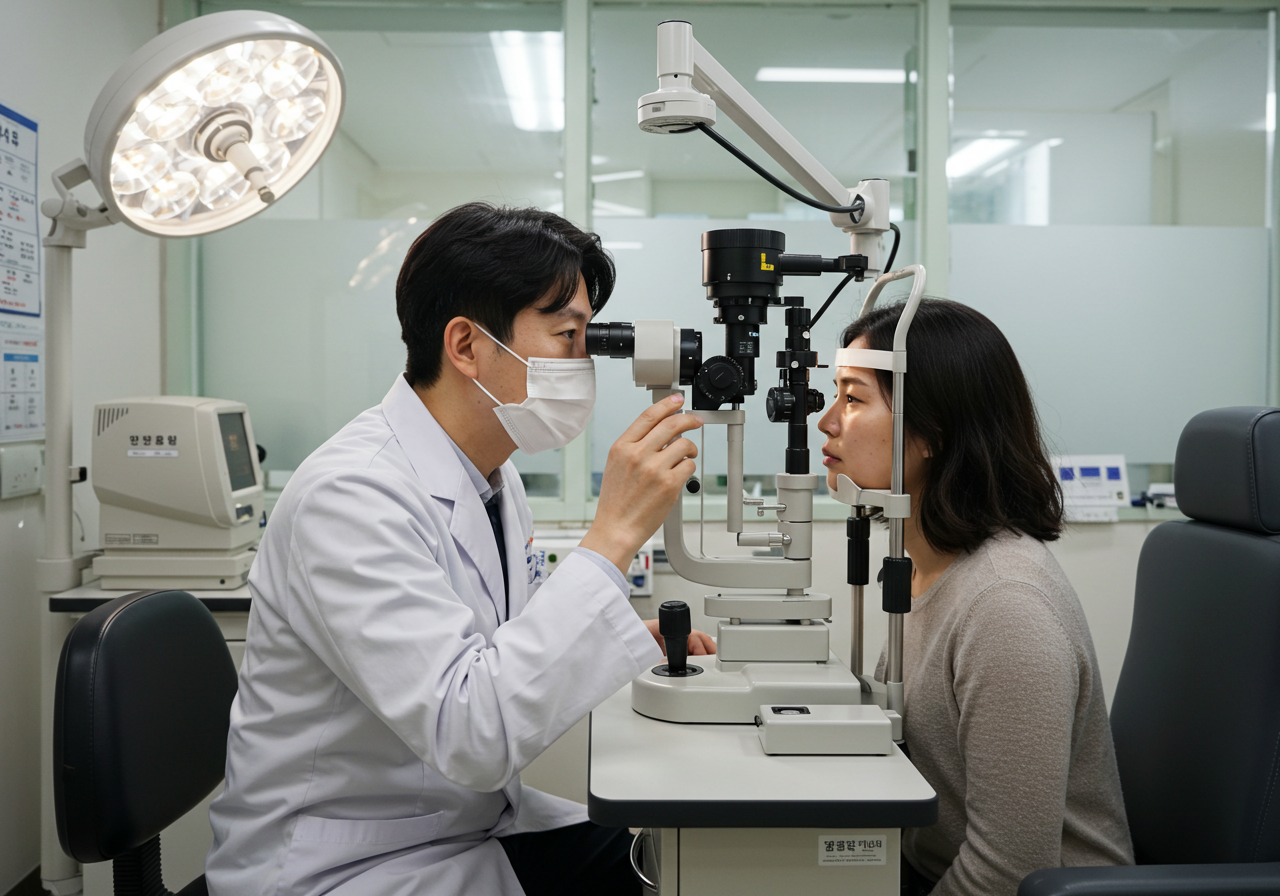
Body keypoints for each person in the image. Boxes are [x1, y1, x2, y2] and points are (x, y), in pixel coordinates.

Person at [206, 202, 714, 896]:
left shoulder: (491, 475)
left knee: (671, 861)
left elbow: (494, 648)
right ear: (467, 345)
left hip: (450, 828)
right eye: (568, 335)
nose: (585, 360)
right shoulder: (350, 496)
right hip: (344, 865)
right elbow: (470, 732)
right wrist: (613, 537)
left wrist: (609, 637)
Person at [817, 298, 1134, 896]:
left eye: (853, 399)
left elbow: (1008, 872)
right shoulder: (927, 566)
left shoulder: (1006, 607)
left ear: (931, 431)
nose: (826, 422)